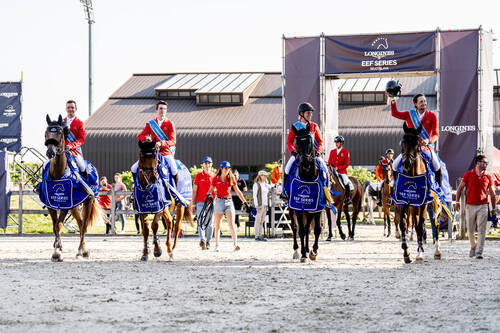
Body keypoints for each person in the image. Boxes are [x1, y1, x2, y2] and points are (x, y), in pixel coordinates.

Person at [455, 155, 496, 259]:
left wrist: (493, 209)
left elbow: (492, 193)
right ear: (478, 163)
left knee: (482, 230)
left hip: (483, 206)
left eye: (487, 163)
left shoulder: (488, 176)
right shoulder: (468, 174)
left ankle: (479, 252)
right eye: (484, 162)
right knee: (470, 231)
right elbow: (460, 189)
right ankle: (473, 246)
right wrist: (457, 202)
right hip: (470, 206)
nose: (486, 164)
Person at [282, 102, 326, 198]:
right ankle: (284, 192)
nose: (310, 115)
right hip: (298, 154)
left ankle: (326, 192)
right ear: (301, 114)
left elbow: (320, 141)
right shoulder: (295, 126)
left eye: (311, 113)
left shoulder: (314, 126)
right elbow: (289, 142)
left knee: (325, 169)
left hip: (313, 155)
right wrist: (293, 151)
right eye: (308, 113)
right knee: (287, 169)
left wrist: (318, 151)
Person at [131, 100, 178, 184]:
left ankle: (175, 192)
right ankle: (135, 187)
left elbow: (173, 141)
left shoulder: (170, 123)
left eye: (164, 109)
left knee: (174, 169)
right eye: (160, 108)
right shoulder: (150, 124)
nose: (162, 111)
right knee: (133, 168)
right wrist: (146, 137)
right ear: (156, 110)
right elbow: (140, 136)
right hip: (152, 152)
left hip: (165, 153)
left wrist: (161, 143)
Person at [207, 161, 248, 252]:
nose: (227, 169)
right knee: (217, 225)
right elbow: (210, 190)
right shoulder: (216, 178)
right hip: (219, 202)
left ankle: (235, 244)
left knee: (231, 224)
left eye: (229, 168)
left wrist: (245, 202)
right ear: (221, 168)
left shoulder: (231, 177)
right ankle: (217, 245)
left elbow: (237, 191)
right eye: (226, 168)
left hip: (229, 201)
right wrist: (208, 196)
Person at [192, 156, 216, 250]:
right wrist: (193, 204)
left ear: (211, 164)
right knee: (201, 222)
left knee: (210, 223)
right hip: (200, 202)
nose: (207, 165)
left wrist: (216, 202)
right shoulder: (198, 176)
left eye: (209, 163)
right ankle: (202, 240)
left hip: (211, 203)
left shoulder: (214, 176)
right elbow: (194, 190)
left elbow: (216, 191)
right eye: (205, 163)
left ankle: (208, 241)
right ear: (203, 165)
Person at [63, 100, 87, 178]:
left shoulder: (80, 123)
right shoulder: (62, 122)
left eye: (72, 107)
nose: (70, 109)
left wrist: (71, 145)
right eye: (68, 107)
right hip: (62, 149)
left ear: (75, 109)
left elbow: (81, 139)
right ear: (66, 109)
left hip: (75, 151)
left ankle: (84, 182)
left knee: (82, 166)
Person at [328, 135, 353, 204]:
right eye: (335, 142)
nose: (336, 144)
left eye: (338, 142)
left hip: (342, 172)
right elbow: (329, 162)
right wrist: (330, 167)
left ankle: (348, 198)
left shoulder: (346, 152)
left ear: (341, 143)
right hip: (332, 171)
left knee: (346, 181)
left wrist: (338, 168)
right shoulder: (332, 151)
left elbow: (346, 165)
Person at [253, 170, 273, 241]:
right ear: (260, 176)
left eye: (265, 176)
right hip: (259, 204)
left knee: (262, 220)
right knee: (258, 220)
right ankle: (256, 235)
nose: (265, 177)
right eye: (264, 175)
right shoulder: (256, 184)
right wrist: (256, 205)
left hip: (265, 204)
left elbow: (272, 187)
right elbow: (254, 195)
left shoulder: (265, 184)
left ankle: (260, 235)